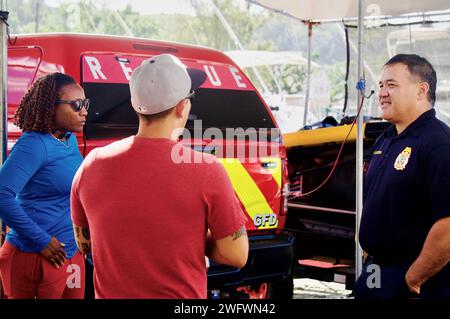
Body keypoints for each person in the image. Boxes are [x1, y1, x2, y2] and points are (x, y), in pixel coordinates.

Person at [70, 53, 249, 299]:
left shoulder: (92, 164)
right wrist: (190, 234)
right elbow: (236, 254)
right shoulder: (207, 169)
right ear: (181, 106)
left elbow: (84, 245)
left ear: (135, 105)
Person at [353, 54, 450, 299]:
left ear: (421, 90)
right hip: (376, 269)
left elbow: (448, 224)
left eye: (392, 85)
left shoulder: (439, 143)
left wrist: (414, 278)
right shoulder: (385, 139)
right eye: (382, 85)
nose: (383, 93)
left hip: (416, 278)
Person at [0, 72, 88, 298]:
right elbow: (2, 195)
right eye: (77, 105)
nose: (84, 111)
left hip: (70, 254)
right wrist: (41, 240)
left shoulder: (67, 138)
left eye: (86, 103)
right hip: (36, 256)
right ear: (51, 106)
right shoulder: (34, 144)